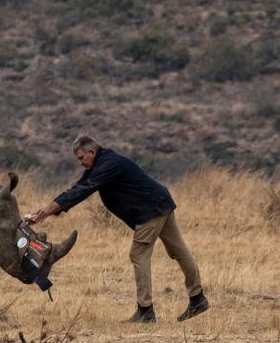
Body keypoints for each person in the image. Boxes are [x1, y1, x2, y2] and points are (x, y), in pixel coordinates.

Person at [27, 135, 207, 323]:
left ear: (91, 152)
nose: (80, 163)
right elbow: (79, 186)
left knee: (139, 255)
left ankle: (145, 310)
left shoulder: (108, 165)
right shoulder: (101, 163)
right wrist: (47, 210)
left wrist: (47, 211)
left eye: (81, 158)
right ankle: (198, 299)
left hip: (150, 211)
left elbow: (83, 190)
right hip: (160, 203)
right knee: (179, 250)